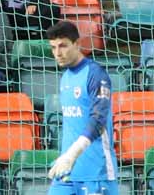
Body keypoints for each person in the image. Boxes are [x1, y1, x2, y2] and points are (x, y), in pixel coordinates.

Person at [47, 19, 119, 193]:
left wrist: (72, 154)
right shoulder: (65, 77)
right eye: (53, 47)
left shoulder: (95, 74)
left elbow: (98, 119)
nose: (57, 53)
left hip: (95, 172)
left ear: (77, 44)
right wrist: (66, 157)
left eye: (63, 46)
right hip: (67, 171)